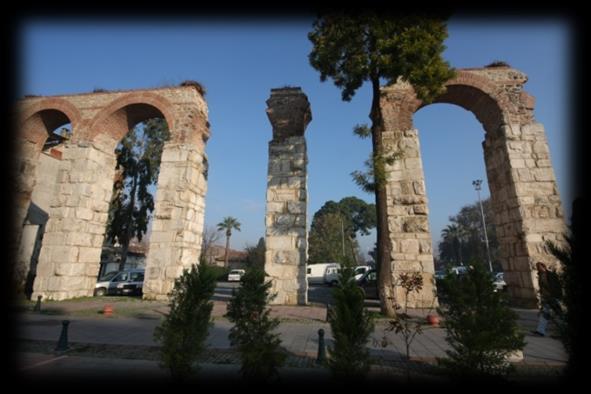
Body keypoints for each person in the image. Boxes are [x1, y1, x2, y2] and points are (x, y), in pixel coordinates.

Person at [533, 262, 562, 337]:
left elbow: (556, 287)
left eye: (539, 267)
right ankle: (540, 331)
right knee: (544, 314)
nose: (538, 268)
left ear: (544, 267)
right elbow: (542, 288)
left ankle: (564, 330)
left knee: (559, 314)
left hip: (554, 297)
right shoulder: (540, 275)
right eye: (537, 267)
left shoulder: (551, 275)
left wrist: (556, 296)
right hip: (547, 298)